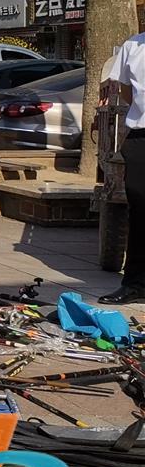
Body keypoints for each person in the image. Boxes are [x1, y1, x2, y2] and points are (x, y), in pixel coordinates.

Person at [100, 36, 145, 304]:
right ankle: (136, 284)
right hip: (141, 135)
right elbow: (126, 91)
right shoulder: (133, 46)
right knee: (140, 210)